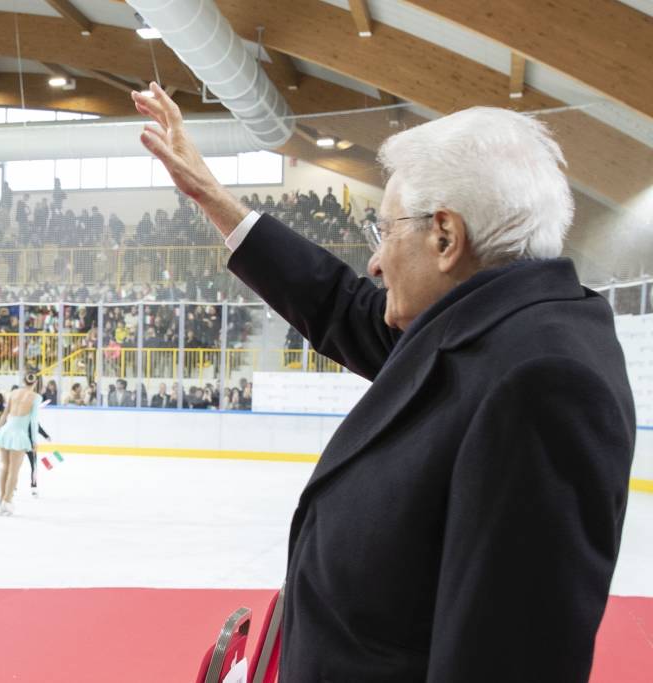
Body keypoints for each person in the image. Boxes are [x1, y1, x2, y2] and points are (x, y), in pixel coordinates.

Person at [132, 84, 635, 681]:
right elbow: (345, 307)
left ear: (445, 237)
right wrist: (212, 198)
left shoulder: (541, 384)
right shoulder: (488, 328)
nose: (374, 262)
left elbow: (504, 661)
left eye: (385, 231)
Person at [0, 373, 42, 516]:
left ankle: (2, 499)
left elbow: (4, 415)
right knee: (14, 470)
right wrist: (34, 441)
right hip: (19, 434)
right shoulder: (36, 398)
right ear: (35, 383)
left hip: (6, 431)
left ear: (23, 380)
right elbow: (34, 422)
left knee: (5, 467)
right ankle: (7, 502)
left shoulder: (13, 393)